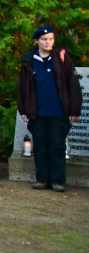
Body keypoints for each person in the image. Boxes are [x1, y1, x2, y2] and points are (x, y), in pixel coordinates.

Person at [18, 25, 82, 192]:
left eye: (51, 39)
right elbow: (23, 87)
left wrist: (75, 109)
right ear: (37, 41)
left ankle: (57, 180)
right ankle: (42, 179)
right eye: (44, 39)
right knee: (40, 146)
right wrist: (23, 108)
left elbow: (72, 84)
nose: (48, 42)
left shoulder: (61, 59)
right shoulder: (29, 61)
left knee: (57, 146)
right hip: (37, 111)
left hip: (58, 111)